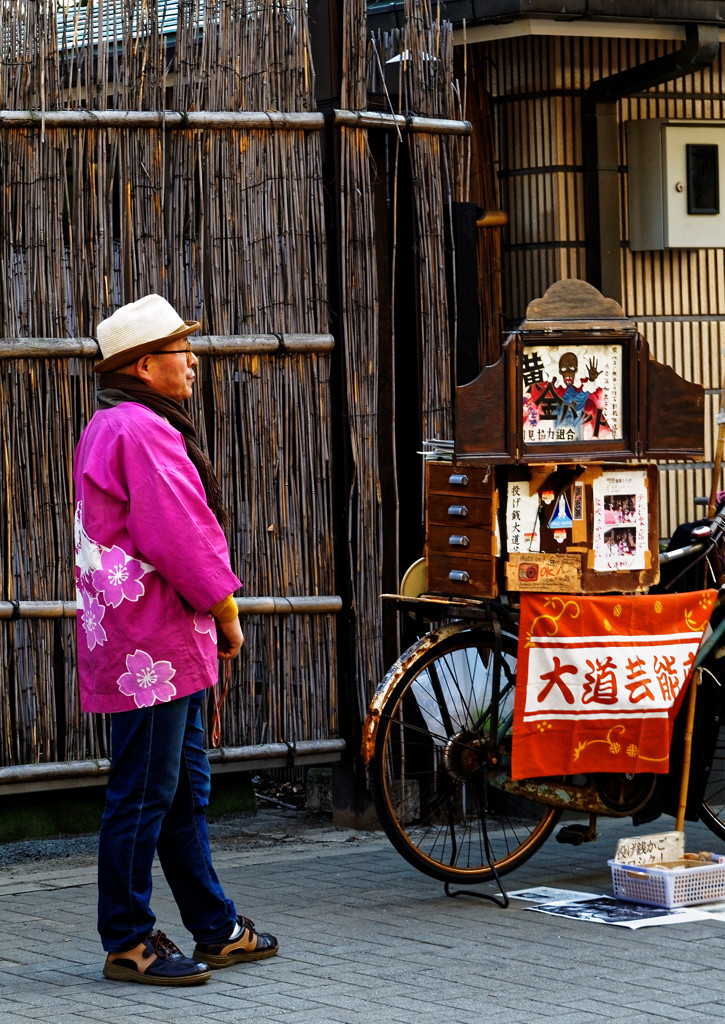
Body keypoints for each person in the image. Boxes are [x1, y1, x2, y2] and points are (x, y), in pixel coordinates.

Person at [73, 293, 278, 986]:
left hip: (147, 643)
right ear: (141, 365)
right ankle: (128, 939)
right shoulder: (139, 429)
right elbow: (179, 537)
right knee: (143, 794)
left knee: (179, 791)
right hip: (152, 645)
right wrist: (226, 610)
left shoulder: (114, 423)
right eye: (178, 352)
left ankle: (213, 925)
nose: (191, 361)